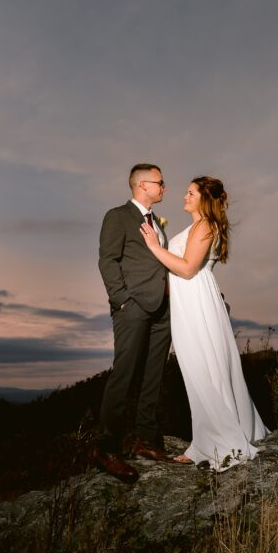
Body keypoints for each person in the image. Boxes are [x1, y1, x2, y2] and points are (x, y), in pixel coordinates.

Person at [141, 176, 270, 471]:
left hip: (197, 303)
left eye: (190, 193)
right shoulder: (196, 226)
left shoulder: (205, 226)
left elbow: (187, 270)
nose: (184, 196)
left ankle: (222, 442)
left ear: (203, 198)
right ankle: (204, 441)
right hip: (188, 303)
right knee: (198, 370)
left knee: (202, 368)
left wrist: (153, 245)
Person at [96, 164, 173, 483]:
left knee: (153, 375)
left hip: (163, 311)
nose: (165, 188)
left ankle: (144, 438)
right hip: (133, 307)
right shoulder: (117, 216)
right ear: (143, 185)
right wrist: (122, 299)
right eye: (160, 183)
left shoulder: (158, 223)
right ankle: (106, 448)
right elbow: (107, 260)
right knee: (124, 375)